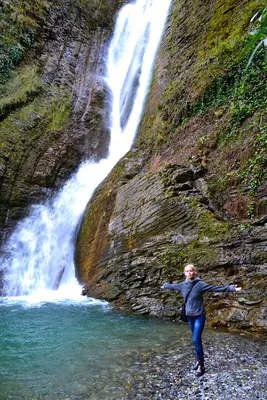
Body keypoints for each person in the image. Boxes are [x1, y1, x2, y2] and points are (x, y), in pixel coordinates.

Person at [161, 264, 242, 377]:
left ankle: (201, 365)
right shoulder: (182, 285)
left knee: (196, 339)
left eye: (191, 271)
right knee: (195, 340)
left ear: (194, 272)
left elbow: (215, 288)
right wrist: (165, 286)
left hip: (199, 315)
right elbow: (173, 286)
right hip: (189, 316)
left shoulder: (200, 285)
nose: (189, 273)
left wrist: (232, 288)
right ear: (185, 273)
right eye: (187, 271)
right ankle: (198, 360)